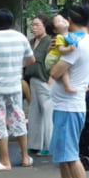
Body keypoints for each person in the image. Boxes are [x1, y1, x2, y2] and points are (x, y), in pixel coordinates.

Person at [42, 3, 89, 178]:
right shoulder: (82, 39)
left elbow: (55, 72)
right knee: (63, 154)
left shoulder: (77, 44)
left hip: (69, 107)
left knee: (71, 155)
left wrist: (53, 55)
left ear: (71, 21)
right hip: (65, 105)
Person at [0, 8, 36, 172]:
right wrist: (16, 65)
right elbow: (31, 59)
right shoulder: (21, 37)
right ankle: (25, 157)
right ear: (11, 21)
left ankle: (5, 161)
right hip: (15, 87)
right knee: (18, 119)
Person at [24, 15, 53, 156]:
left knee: (47, 112)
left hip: (44, 80)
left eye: (37, 25)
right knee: (34, 112)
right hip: (32, 80)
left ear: (45, 26)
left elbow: (54, 60)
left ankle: (48, 145)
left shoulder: (49, 41)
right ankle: (34, 144)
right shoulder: (31, 42)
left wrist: (51, 79)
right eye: (33, 25)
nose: (34, 28)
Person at [44, 12, 85, 94]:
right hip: (52, 59)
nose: (63, 20)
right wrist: (69, 49)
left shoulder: (68, 35)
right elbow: (61, 50)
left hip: (53, 58)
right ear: (55, 30)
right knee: (64, 71)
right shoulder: (60, 37)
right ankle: (67, 87)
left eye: (63, 18)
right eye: (59, 21)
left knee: (64, 70)